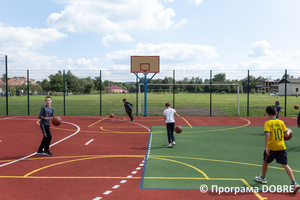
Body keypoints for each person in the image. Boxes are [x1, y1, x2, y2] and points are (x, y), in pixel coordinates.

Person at [255, 106, 300, 193]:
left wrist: (266, 146)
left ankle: (263, 178)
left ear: (267, 114)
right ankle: (294, 183)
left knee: (265, 161)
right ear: (276, 113)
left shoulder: (268, 123)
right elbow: (286, 135)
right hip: (282, 147)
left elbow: (267, 134)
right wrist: (290, 131)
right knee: (285, 164)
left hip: (272, 147)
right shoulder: (281, 122)